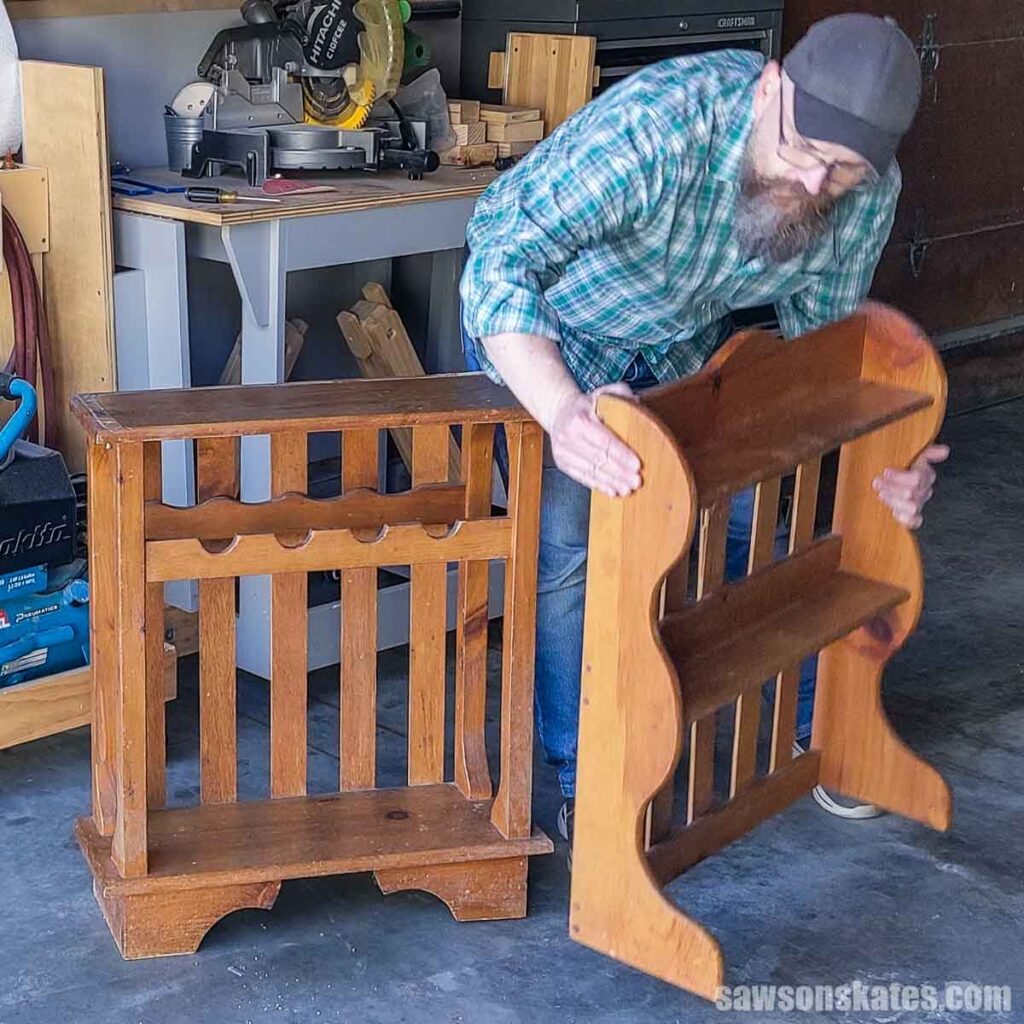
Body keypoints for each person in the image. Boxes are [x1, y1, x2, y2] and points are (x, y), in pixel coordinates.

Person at [459, 14, 948, 857]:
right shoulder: (661, 128)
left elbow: (825, 351)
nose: (814, 181)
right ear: (769, 91)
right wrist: (565, 411)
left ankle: (821, 729)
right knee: (573, 545)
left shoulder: (865, 191)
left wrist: (884, 460)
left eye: (842, 170)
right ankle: (590, 781)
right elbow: (498, 258)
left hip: (681, 348)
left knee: (748, 525)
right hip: (554, 335)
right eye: (803, 149)